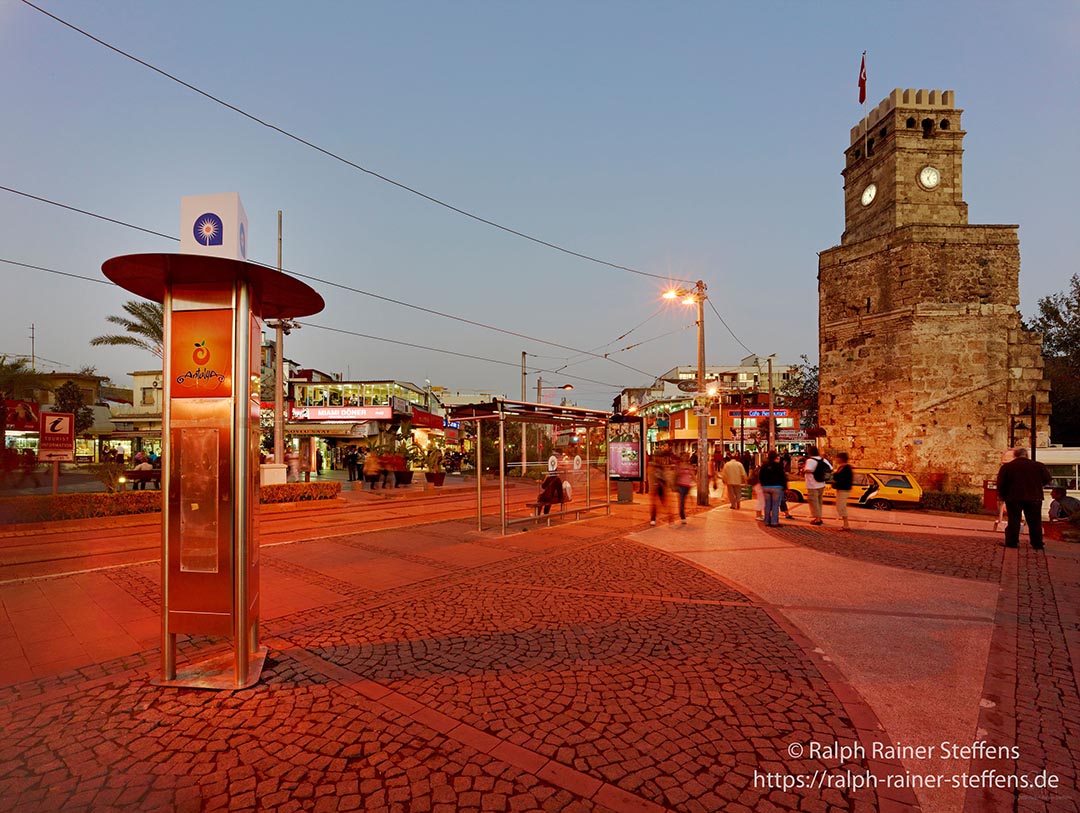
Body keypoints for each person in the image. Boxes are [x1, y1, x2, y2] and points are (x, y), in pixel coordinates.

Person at [996, 447, 1052, 550]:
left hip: (1013, 497)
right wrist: (1036, 486)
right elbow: (1047, 480)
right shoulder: (1038, 466)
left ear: (1015, 456)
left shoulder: (1007, 467)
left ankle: (1012, 542)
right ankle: (1037, 543)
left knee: (1014, 520)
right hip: (1034, 497)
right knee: (1035, 521)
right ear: (1027, 455)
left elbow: (1001, 483)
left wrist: (1002, 495)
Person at [803, 445, 831, 526]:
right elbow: (830, 468)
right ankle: (819, 517)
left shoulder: (810, 460)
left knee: (813, 502)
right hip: (821, 484)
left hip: (812, 484)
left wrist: (805, 470)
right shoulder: (823, 459)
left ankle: (817, 519)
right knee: (819, 502)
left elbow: (808, 470)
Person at [758, 451, 787, 527]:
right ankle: (774, 522)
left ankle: (767, 521)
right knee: (775, 505)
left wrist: (762, 485)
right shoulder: (778, 466)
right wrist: (785, 486)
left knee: (767, 505)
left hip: (766, 487)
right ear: (775, 457)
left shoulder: (764, 466)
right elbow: (783, 477)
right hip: (776, 487)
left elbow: (760, 477)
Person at [648, 452, 674, 526]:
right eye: (656, 457)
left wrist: (666, 485)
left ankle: (670, 518)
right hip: (655, 487)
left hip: (661, 487)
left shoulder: (661, 467)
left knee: (665, 503)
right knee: (654, 504)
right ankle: (653, 518)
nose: (658, 459)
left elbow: (665, 477)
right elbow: (651, 477)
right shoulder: (652, 466)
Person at [832, 451, 854, 531]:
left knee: (841, 507)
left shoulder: (846, 468)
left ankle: (846, 525)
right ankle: (845, 524)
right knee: (840, 507)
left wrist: (834, 476)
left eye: (837, 458)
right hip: (840, 489)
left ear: (841, 459)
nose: (836, 459)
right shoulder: (841, 467)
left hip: (844, 489)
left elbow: (842, 478)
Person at [675, 453, 695, 524]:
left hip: (687, 486)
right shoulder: (679, 465)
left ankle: (683, 513)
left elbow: (692, 475)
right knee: (682, 501)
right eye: (684, 456)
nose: (685, 458)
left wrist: (695, 482)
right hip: (680, 485)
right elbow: (676, 474)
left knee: (684, 501)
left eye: (686, 457)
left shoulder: (690, 466)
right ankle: (682, 515)